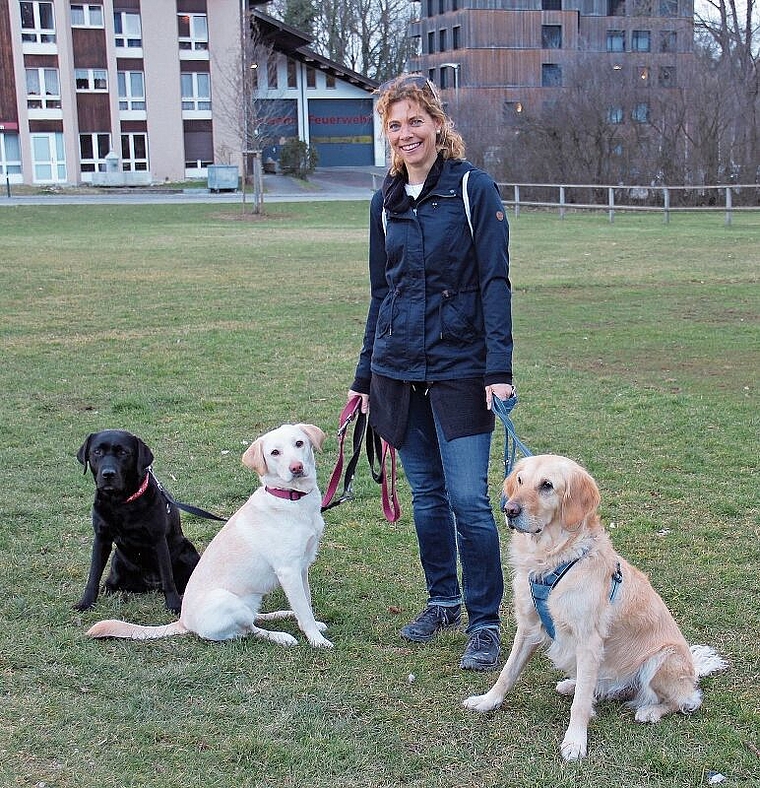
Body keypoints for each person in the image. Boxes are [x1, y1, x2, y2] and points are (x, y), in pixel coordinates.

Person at [348, 74, 514, 671]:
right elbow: (380, 293)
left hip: (463, 371)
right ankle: (442, 599)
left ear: (438, 125)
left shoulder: (474, 190)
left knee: (469, 499)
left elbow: (496, 284)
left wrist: (499, 369)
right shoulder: (384, 202)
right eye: (394, 125)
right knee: (427, 497)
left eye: (415, 121)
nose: (405, 134)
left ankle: (485, 619)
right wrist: (364, 376)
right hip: (397, 372)